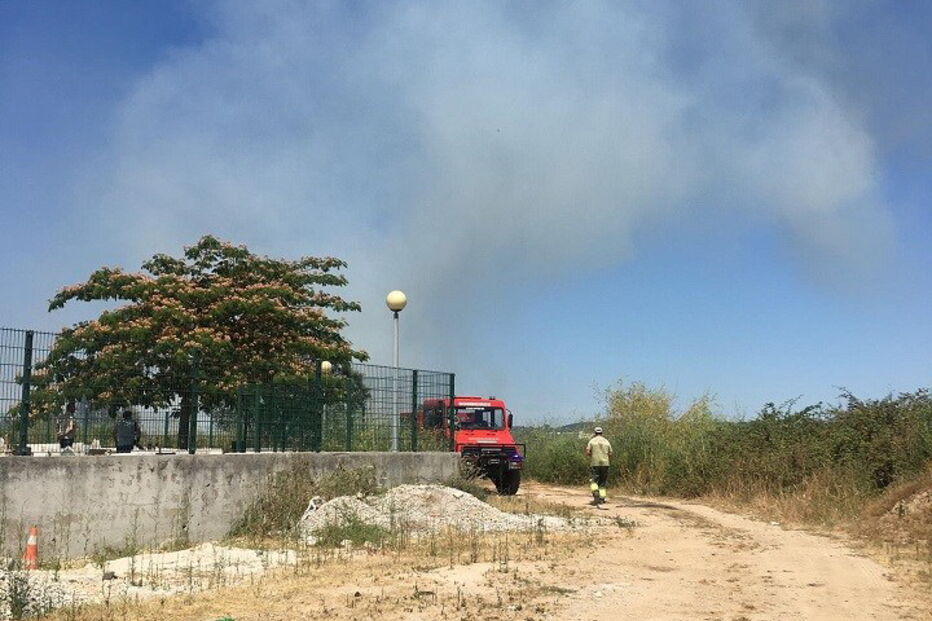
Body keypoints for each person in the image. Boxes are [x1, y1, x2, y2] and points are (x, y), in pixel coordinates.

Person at [585, 426, 613, 505]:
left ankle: (595, 492)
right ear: (602, 433)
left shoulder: (592, 441)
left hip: (595, 463)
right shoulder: (606, 441)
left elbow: (587, 452)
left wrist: (592, 455)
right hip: (605, 464)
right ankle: (602, 498)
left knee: (594, 480)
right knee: (602, 482)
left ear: (595, 433)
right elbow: (610, 453)